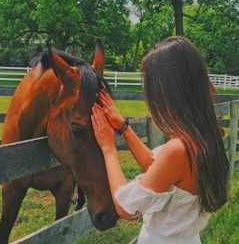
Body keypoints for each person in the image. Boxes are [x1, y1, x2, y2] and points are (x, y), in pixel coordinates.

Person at [91, 36, 229, 244]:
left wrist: (108, 148)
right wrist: (123, 127)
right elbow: (156, 166)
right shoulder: (203, 137)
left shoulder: (179, 149)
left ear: (168, 93)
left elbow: (126, 208)